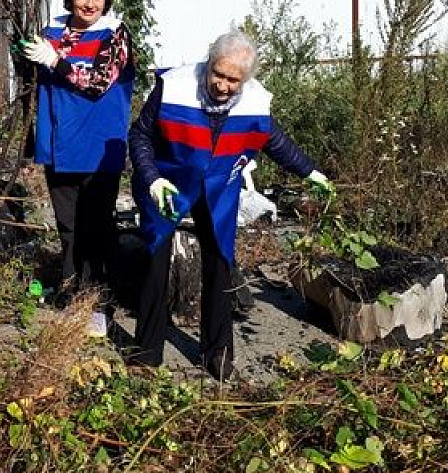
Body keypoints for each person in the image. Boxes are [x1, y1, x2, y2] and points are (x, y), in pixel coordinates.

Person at [127, 31, 333, 380]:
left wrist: (310, 170)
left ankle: (217, 352)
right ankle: (146, 352)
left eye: (232, 80)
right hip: (169, 180)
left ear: (246, 80)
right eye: (217, 74)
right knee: (155, 260)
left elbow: (274, 140)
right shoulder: (173, 86)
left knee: (220, 263)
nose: (222, 85)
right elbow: (140, 134)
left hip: (219, 184)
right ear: (209, 64)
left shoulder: (255, 100)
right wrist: (152, 178)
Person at [21, 0, 134, 337]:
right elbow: (36, 78)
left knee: (96, 228)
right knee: (68, 228)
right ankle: (73, 296)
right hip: (59, 143)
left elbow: (99, 82)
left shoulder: (114, 34)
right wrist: (26, 54)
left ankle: (99, 304)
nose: (89, 3)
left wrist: (56, 61)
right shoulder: (53, 31)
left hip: (97, 146)